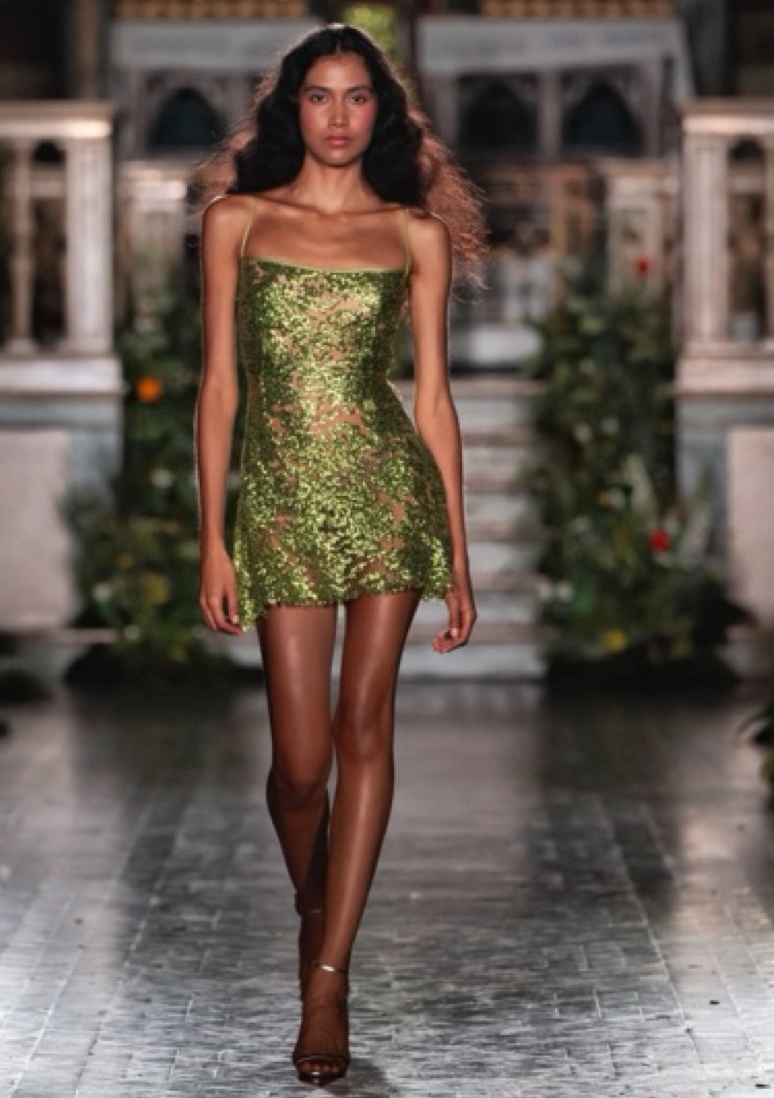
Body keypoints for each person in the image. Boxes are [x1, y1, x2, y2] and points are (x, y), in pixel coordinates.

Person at [195, 23, 483, 1086]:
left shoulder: (413, 235)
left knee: (366, 726)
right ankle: (317, 905)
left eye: (357, 97)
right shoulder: (237, 221)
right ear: (292, 109)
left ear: (383, 113)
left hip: (386, 499)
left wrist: (458, 558)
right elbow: (218, 388)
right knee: (300, 767)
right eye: (319, 96)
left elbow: (434, 401)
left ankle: (327, 979)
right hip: (279, 504)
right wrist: (212, 538)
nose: (338, 117)